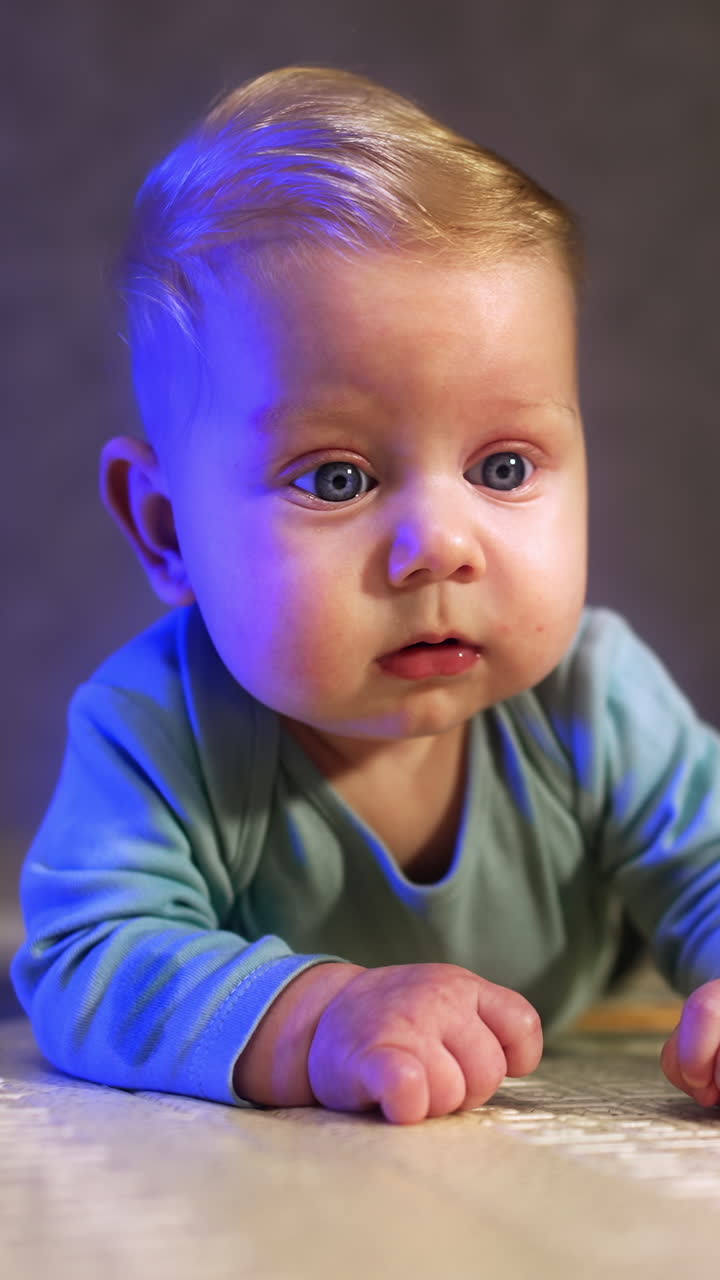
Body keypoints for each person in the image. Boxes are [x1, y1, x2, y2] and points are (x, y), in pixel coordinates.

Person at [11, 65, 720, 1125]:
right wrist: (320, 1014)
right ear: (166, 528)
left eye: (505, 466)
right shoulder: (161, 726)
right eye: (336, 477)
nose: (439, 545)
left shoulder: (595, 697)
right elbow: (83, 955)